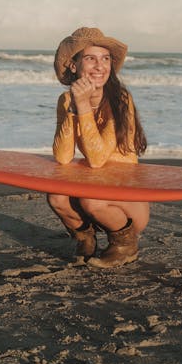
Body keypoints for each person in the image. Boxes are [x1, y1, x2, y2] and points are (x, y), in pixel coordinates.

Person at [47, 27, 149, 268]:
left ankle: (125, 245)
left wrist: (83, 105)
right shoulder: (66, 100)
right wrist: (74, 107)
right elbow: (62, 156)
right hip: (96, 185)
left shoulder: (120, 99)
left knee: (91, 201)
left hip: (128, 201)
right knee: (57, 197)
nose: (100, 66)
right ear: (74, 66)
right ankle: (86, 239)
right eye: (90, 58)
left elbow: (97, 159)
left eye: (105, 59)